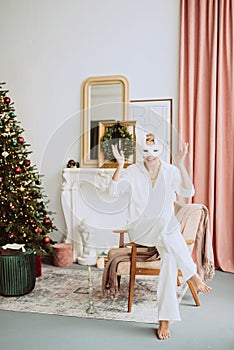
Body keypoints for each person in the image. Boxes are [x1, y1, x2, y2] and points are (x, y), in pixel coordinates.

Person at [109, 133, 211, 340]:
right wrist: (119, 165)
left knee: (171, 258)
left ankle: (164, 319)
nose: (150, 155)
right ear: (140, 151)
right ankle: (192, 273)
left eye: (154, 150)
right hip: (140, 230)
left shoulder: (171, 171)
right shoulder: (133, 171)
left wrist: (181, 163)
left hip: (164, 233)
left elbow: (189, 190)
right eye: (145, 150)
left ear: (161, 150)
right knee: (167, 227)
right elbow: (112, 192)